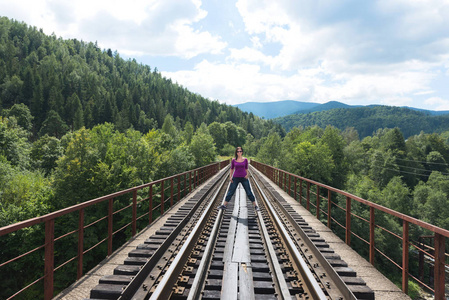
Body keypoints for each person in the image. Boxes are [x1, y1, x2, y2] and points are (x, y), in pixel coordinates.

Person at [218, 147, 259, 211]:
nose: (239, 153)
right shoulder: (234, 160)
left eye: (240, 151)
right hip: (235, 178)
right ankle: (224, 205)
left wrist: (247, 174)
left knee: (249, 192)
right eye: (238, 151)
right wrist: (230, 177)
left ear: (242, 152)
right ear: (236, 153)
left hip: (243, 178)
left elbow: (246, 168)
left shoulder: (245, 160)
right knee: (231, 192)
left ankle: (256, 206)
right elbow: (232, 169)